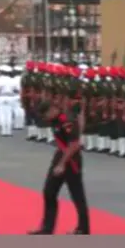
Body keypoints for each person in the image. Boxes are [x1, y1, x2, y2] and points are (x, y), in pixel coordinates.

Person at [28, 100, 90, 234]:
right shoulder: (55, 120)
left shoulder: (66, 120)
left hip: (71, 160)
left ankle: (83, 228)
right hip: (60, 155)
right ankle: (47, 228)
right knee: (49, 192)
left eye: (45, 116)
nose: (45, 120)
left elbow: (74, 144)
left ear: (52, 110)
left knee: (77, 195)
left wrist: (62, 164)